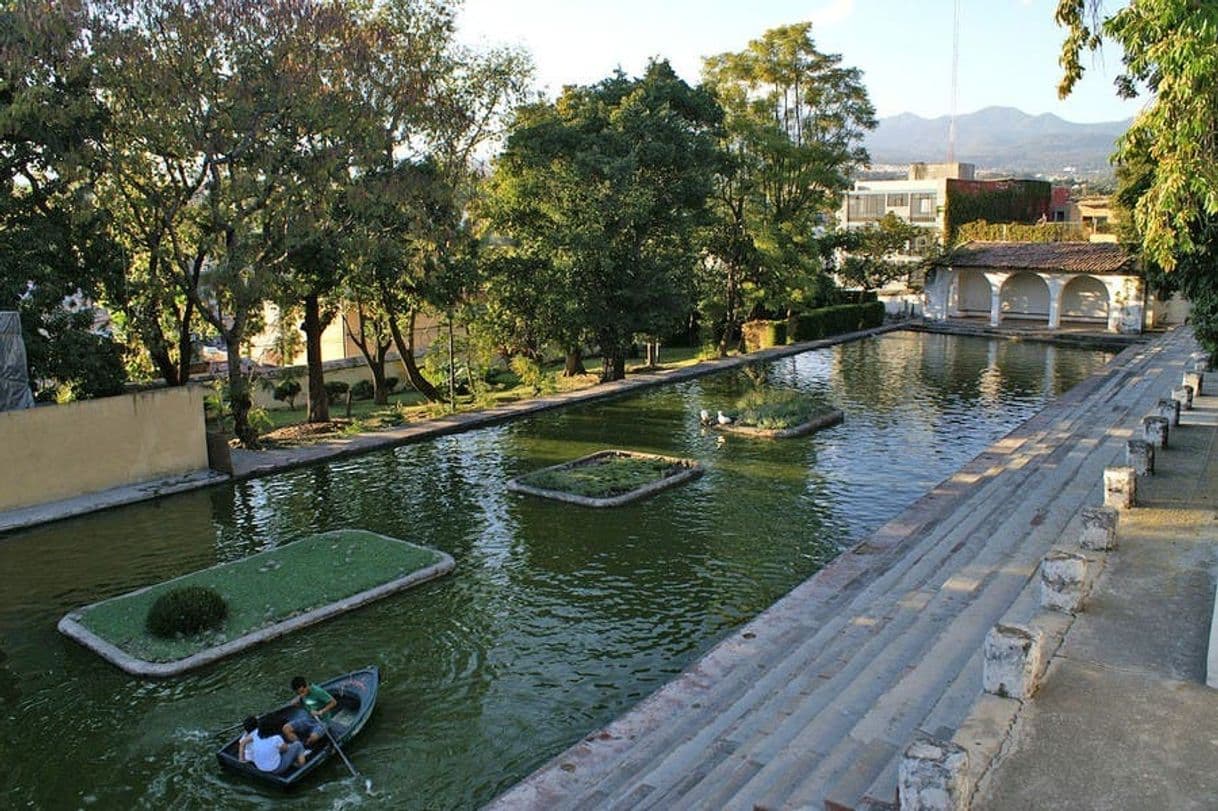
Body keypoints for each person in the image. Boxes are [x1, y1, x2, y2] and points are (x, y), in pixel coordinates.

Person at [238, 715, 307, 774]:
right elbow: (285, 749)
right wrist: (286, 747)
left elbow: (243, 742)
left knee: (277, 749)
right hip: (276, 769)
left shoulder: (255, 734)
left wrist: (241, 760)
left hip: (259, 767)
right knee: (298, 744)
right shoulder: (276, 738)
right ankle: (302, 767)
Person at [281, 675, 337, 747]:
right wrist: (297, 703)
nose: (301, 694)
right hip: (309, 718)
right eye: (298, 693)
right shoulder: (301, 695)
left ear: (306, 686)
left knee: (313, 738)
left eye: (302, 692)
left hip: (322, 721)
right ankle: (299, 746)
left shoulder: (318, 692)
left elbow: (334, 702)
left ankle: (307, 744)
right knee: (286, 728)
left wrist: (321, 712)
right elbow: (305, 706)